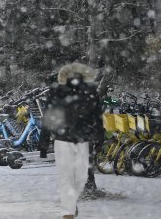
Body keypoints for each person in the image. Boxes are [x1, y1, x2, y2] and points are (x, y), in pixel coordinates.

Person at [41, 62, 104, 219]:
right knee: (65, 177)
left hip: (83, 140)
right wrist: (44, 141)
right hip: (63, 139)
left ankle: (71, 202)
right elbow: (49, 116)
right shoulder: (56, 90)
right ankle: (67, 213)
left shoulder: (90, 91)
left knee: (81, 178)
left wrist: (99, 136)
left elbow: (97, 116)